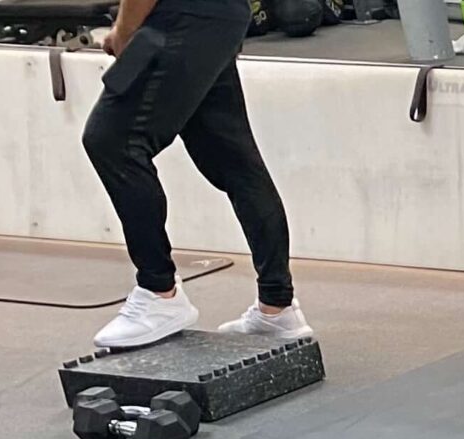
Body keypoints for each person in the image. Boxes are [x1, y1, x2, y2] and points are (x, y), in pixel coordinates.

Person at [81, 0, 309, 350]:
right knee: (234, 159)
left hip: (182, 16)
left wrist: (125, 31)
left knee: (112, 142)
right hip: (222, 15)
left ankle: (160, 293)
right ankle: (276, 307)